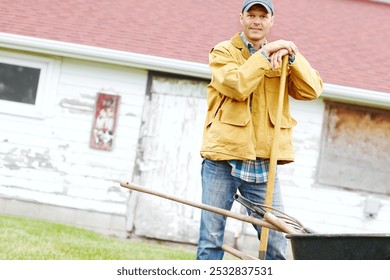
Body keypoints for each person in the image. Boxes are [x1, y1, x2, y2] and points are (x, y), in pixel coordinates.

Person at [197, 0, 323, 260]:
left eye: (262, 16)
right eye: (251, 15)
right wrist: (265, 56)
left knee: (275, 238)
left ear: (271, 21)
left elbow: (311, 90)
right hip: (223, 158)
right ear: (241, 18)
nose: (256, 21)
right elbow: (237, 85)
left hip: (265, 161)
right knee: (211, 239)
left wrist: (293, 55)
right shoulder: (223, 52)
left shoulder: (285, 57)